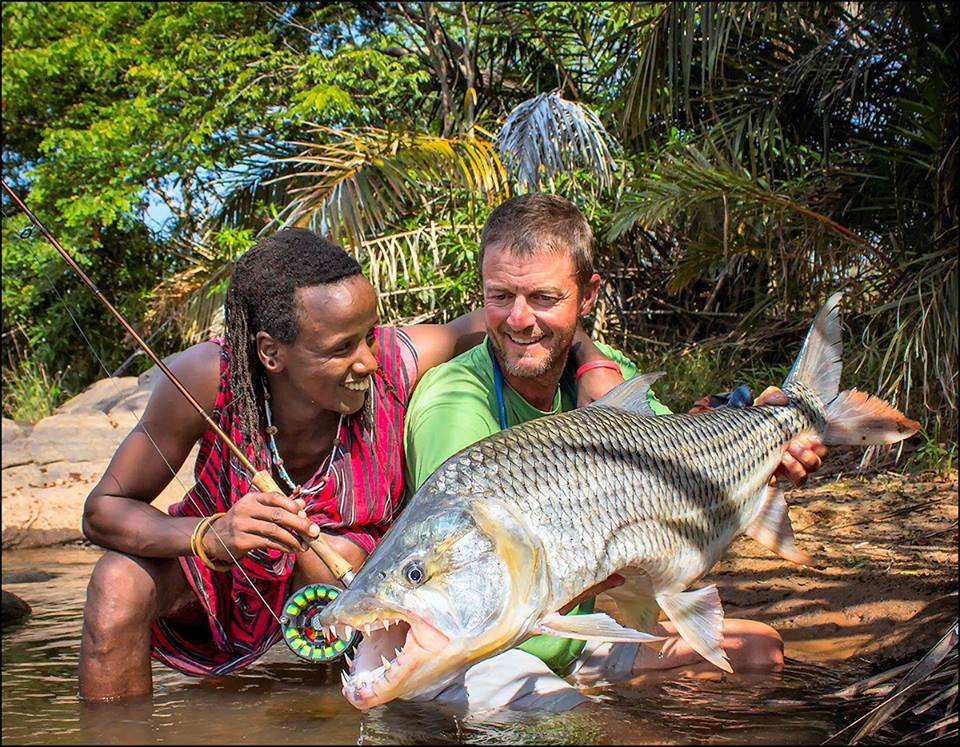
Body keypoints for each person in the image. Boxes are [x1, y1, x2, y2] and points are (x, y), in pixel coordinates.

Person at [78, 227, 622, 701]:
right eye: (342, 347)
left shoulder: (396, 358)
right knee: (117, 582)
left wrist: (591, 361)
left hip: (350, 581)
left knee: (332, 556)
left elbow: (520, 314)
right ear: (271, 353)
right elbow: (102, 512)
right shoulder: (202, 379)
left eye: (369, 333)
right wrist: (208, 535)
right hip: (219, 569)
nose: (367, 358)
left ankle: (349, 710)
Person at [402, 193, 828, 713]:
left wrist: (766, 457)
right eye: (500, 296)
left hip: (569, 637)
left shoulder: (606, 378)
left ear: (587, 298)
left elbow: (687, 470)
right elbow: (473, 580)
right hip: (484, 650)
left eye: (543, 298)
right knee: (581, 725)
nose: (519, 319)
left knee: (760, 652)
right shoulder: (455, 404)